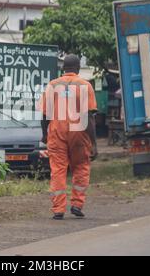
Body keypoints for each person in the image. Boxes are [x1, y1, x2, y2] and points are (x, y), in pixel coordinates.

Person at [38, 54, 98, 220]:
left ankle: (58, 209)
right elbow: (90, 117)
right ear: (78, 69)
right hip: (79, 132)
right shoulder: (85, 85)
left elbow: (44, 115)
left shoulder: (52, 85)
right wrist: (93, 143)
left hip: (57, 133)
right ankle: (77, 205)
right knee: (81, 167)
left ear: (63, 69)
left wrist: (45, 134)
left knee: (58, 170)